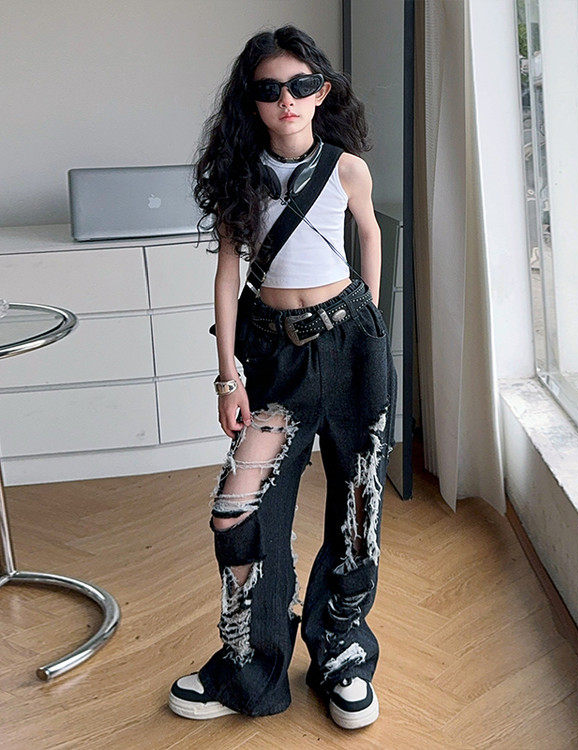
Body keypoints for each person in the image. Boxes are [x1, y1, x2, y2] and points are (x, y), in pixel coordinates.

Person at [167, 25, 397, 731]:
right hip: (274, 359)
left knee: (357, 503)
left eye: (301, 85)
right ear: (252, 101)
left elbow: (369, 234)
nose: (287, 100)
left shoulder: (347, 168)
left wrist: (371, 321)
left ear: (322, 92)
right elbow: (227, 273)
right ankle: (252, 665)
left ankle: (341, 652)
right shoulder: (240, 176)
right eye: (270, 89)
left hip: (351, 348)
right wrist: (226, 377)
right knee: (238, 509)